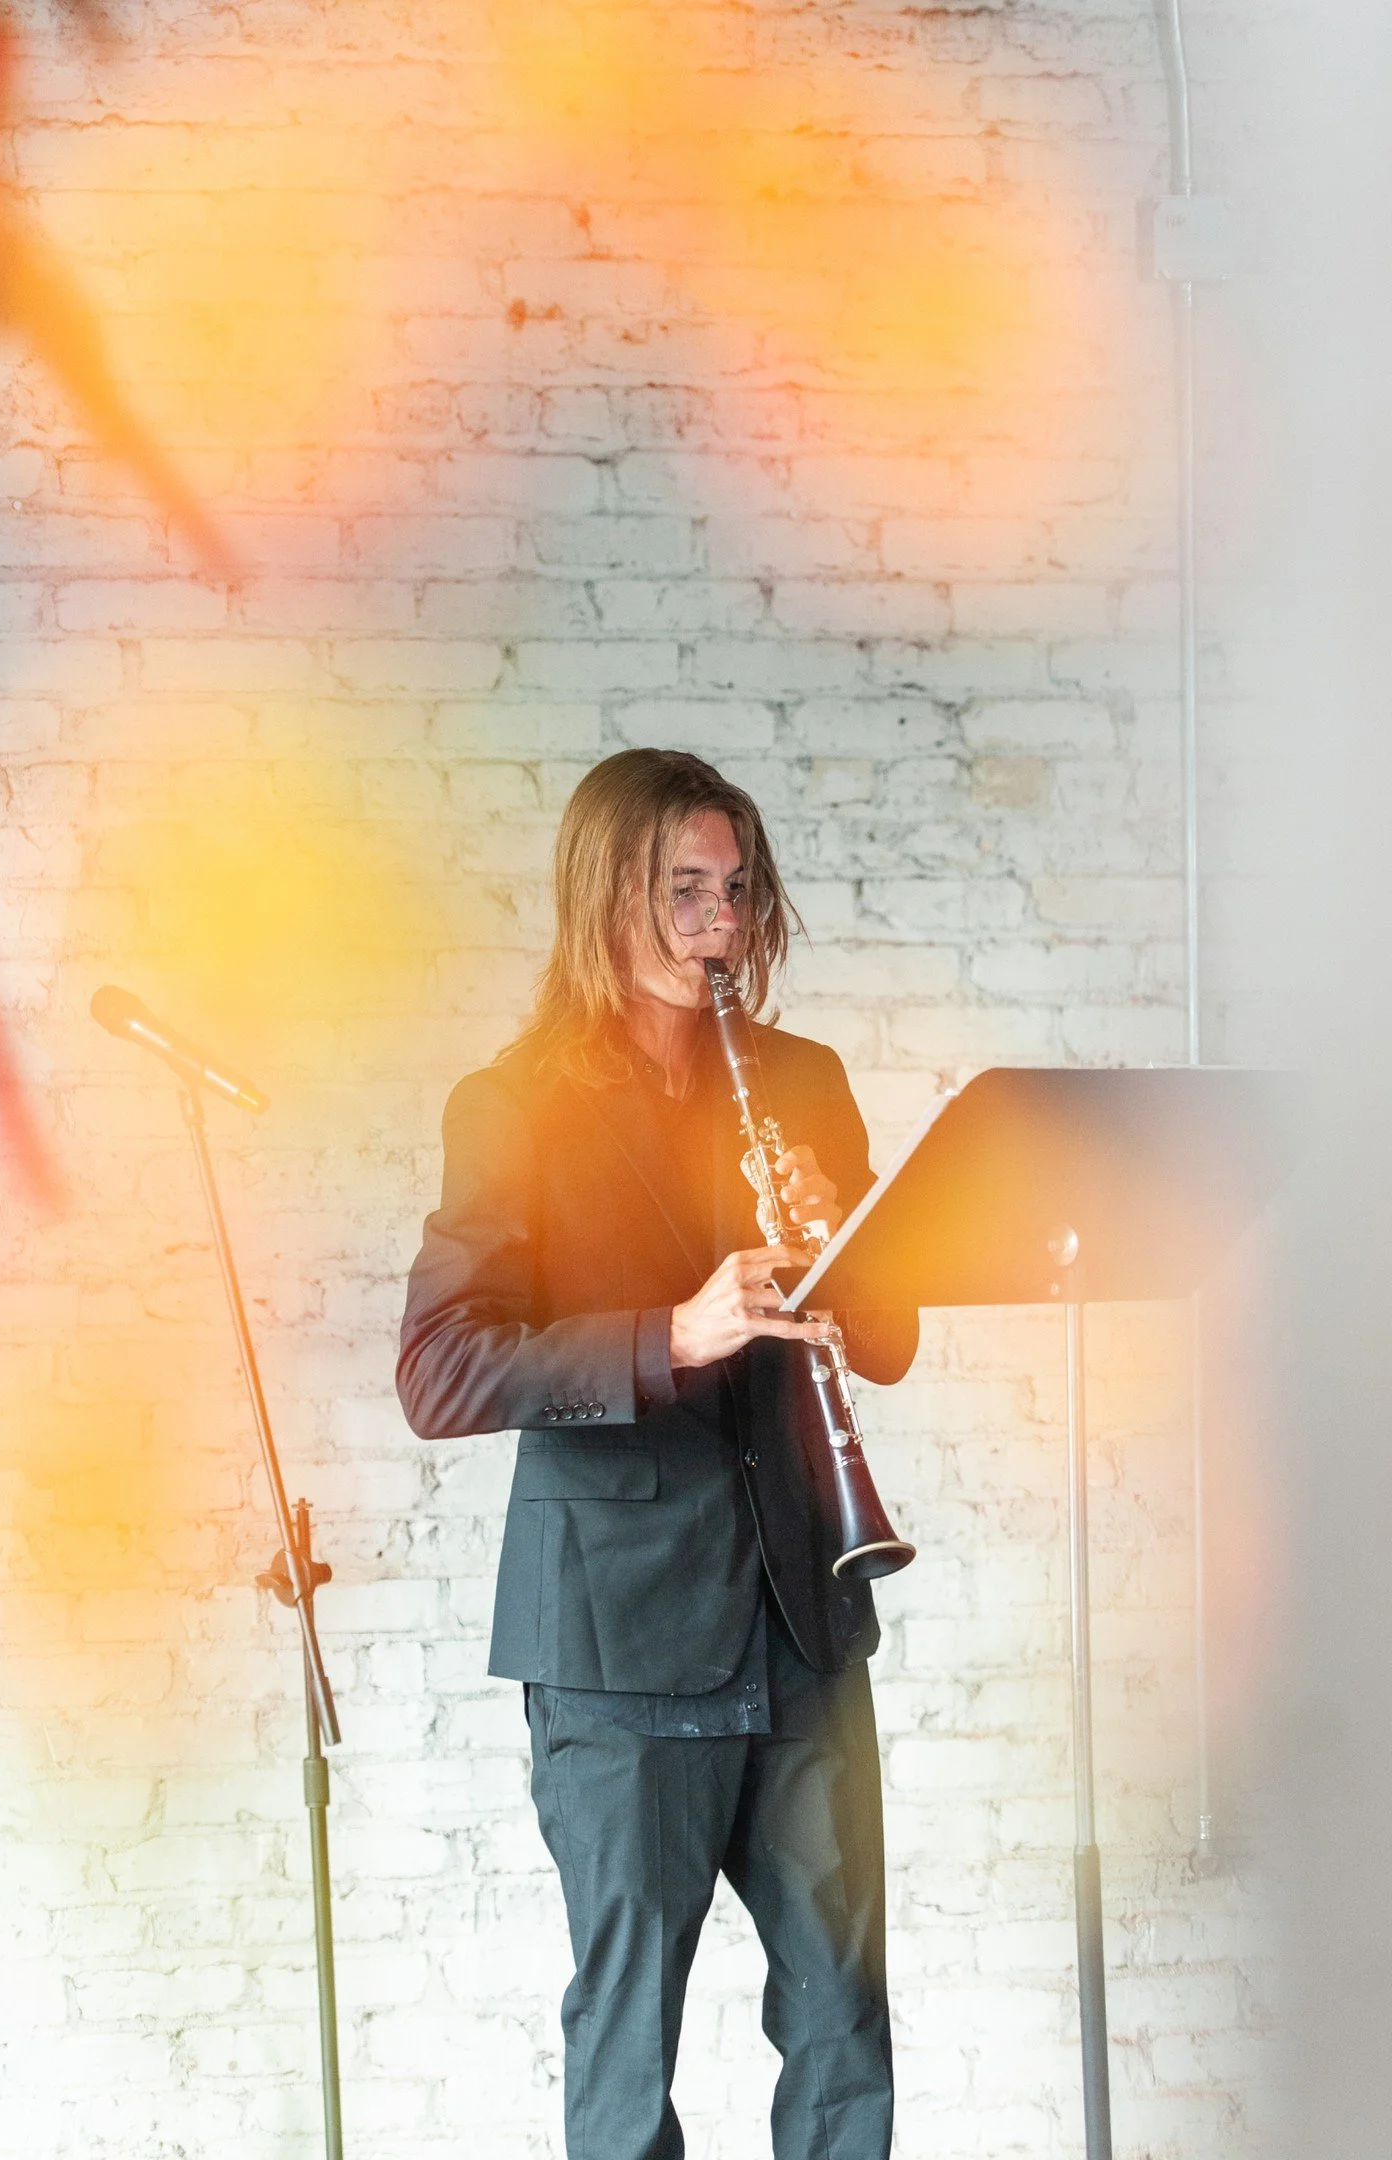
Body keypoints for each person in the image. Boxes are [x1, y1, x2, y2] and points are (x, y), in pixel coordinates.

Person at [397, 747, 920, 2160]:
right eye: (683, 889)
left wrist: (840, 1252)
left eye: (737, 890)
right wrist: (667, 1335)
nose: (719, 923)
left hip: (805, 1619)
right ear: (603, 899)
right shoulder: (515, 1103)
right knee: (632, 2049)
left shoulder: (801, 1079)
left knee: (844, 2021)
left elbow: (890, 1340)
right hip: (617, 1646)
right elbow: (440, 1370)